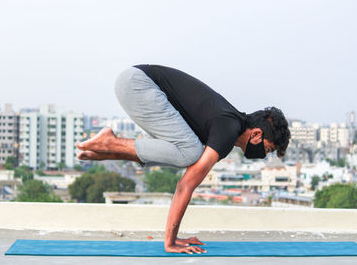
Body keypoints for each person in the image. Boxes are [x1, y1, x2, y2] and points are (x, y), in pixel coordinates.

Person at [76, 64, 291, 254]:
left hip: (135, 83)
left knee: (185, 152)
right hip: (139, 84)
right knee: (191, 152)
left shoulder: (229, 124)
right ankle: (109, 142)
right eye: (268, 149)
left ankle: (106, 150)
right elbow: (185, 186)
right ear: (256, 134)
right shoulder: (228, 130)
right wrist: (170, 242)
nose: (264, 155)